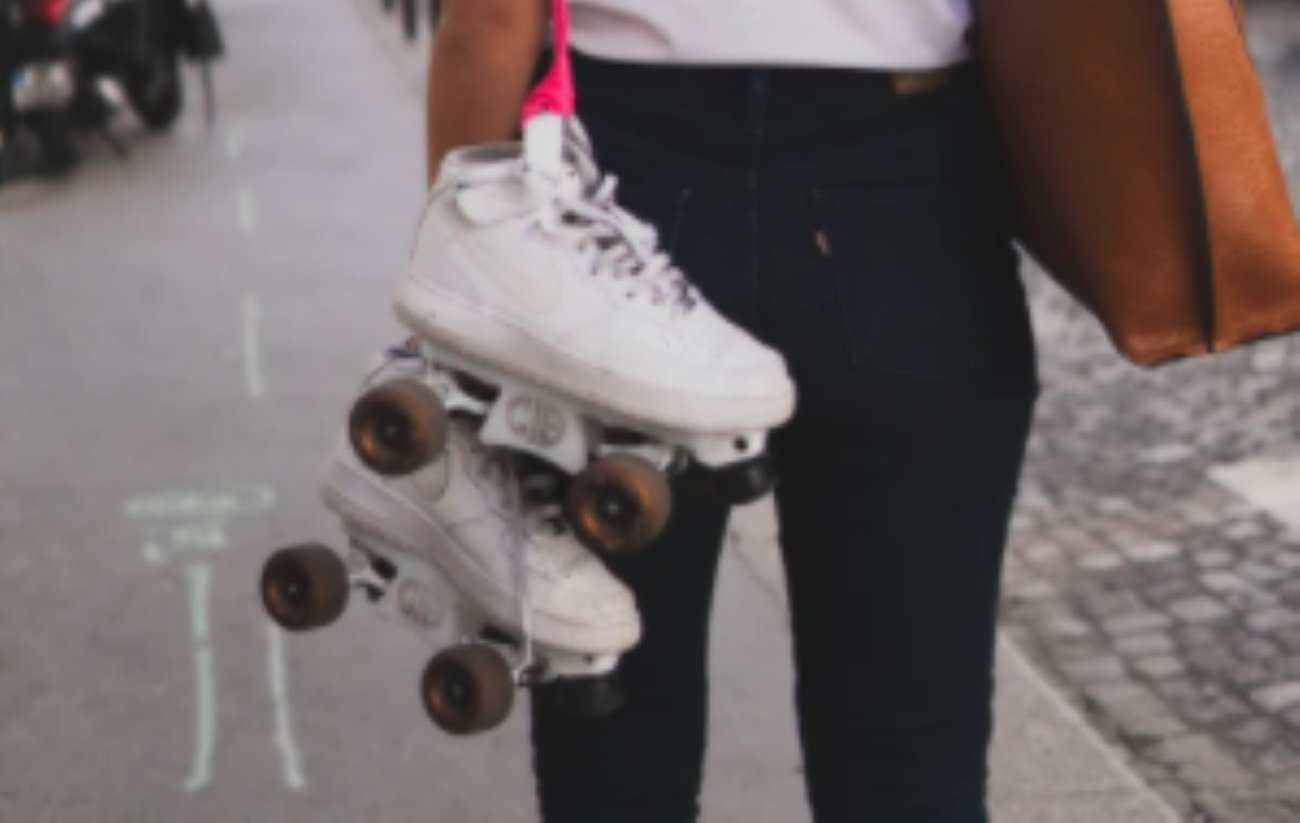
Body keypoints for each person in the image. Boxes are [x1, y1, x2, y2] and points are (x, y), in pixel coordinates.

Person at [425, 1, 1041, 820]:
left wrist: (457, 279)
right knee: (911, 753)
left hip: (620, 199)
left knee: (613, 735)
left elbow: (490, 21)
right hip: (904, 194)